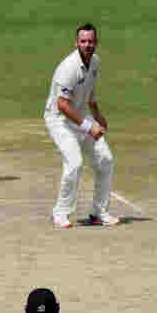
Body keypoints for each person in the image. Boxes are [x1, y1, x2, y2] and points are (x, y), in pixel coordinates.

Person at [45, 23, 119, 229]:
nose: (87, 45)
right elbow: (62, 105)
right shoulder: (68, 67)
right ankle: (60, 213)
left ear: (96, 43)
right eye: (83, 41)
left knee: (105, 159)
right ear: (76, 43)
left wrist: (98, 117)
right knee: (75, 163)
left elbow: (90, 94)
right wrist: (89, 127)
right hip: (59, 120)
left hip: (80, 115)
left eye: (91, 41)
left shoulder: (95, 62)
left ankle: (99, 213)